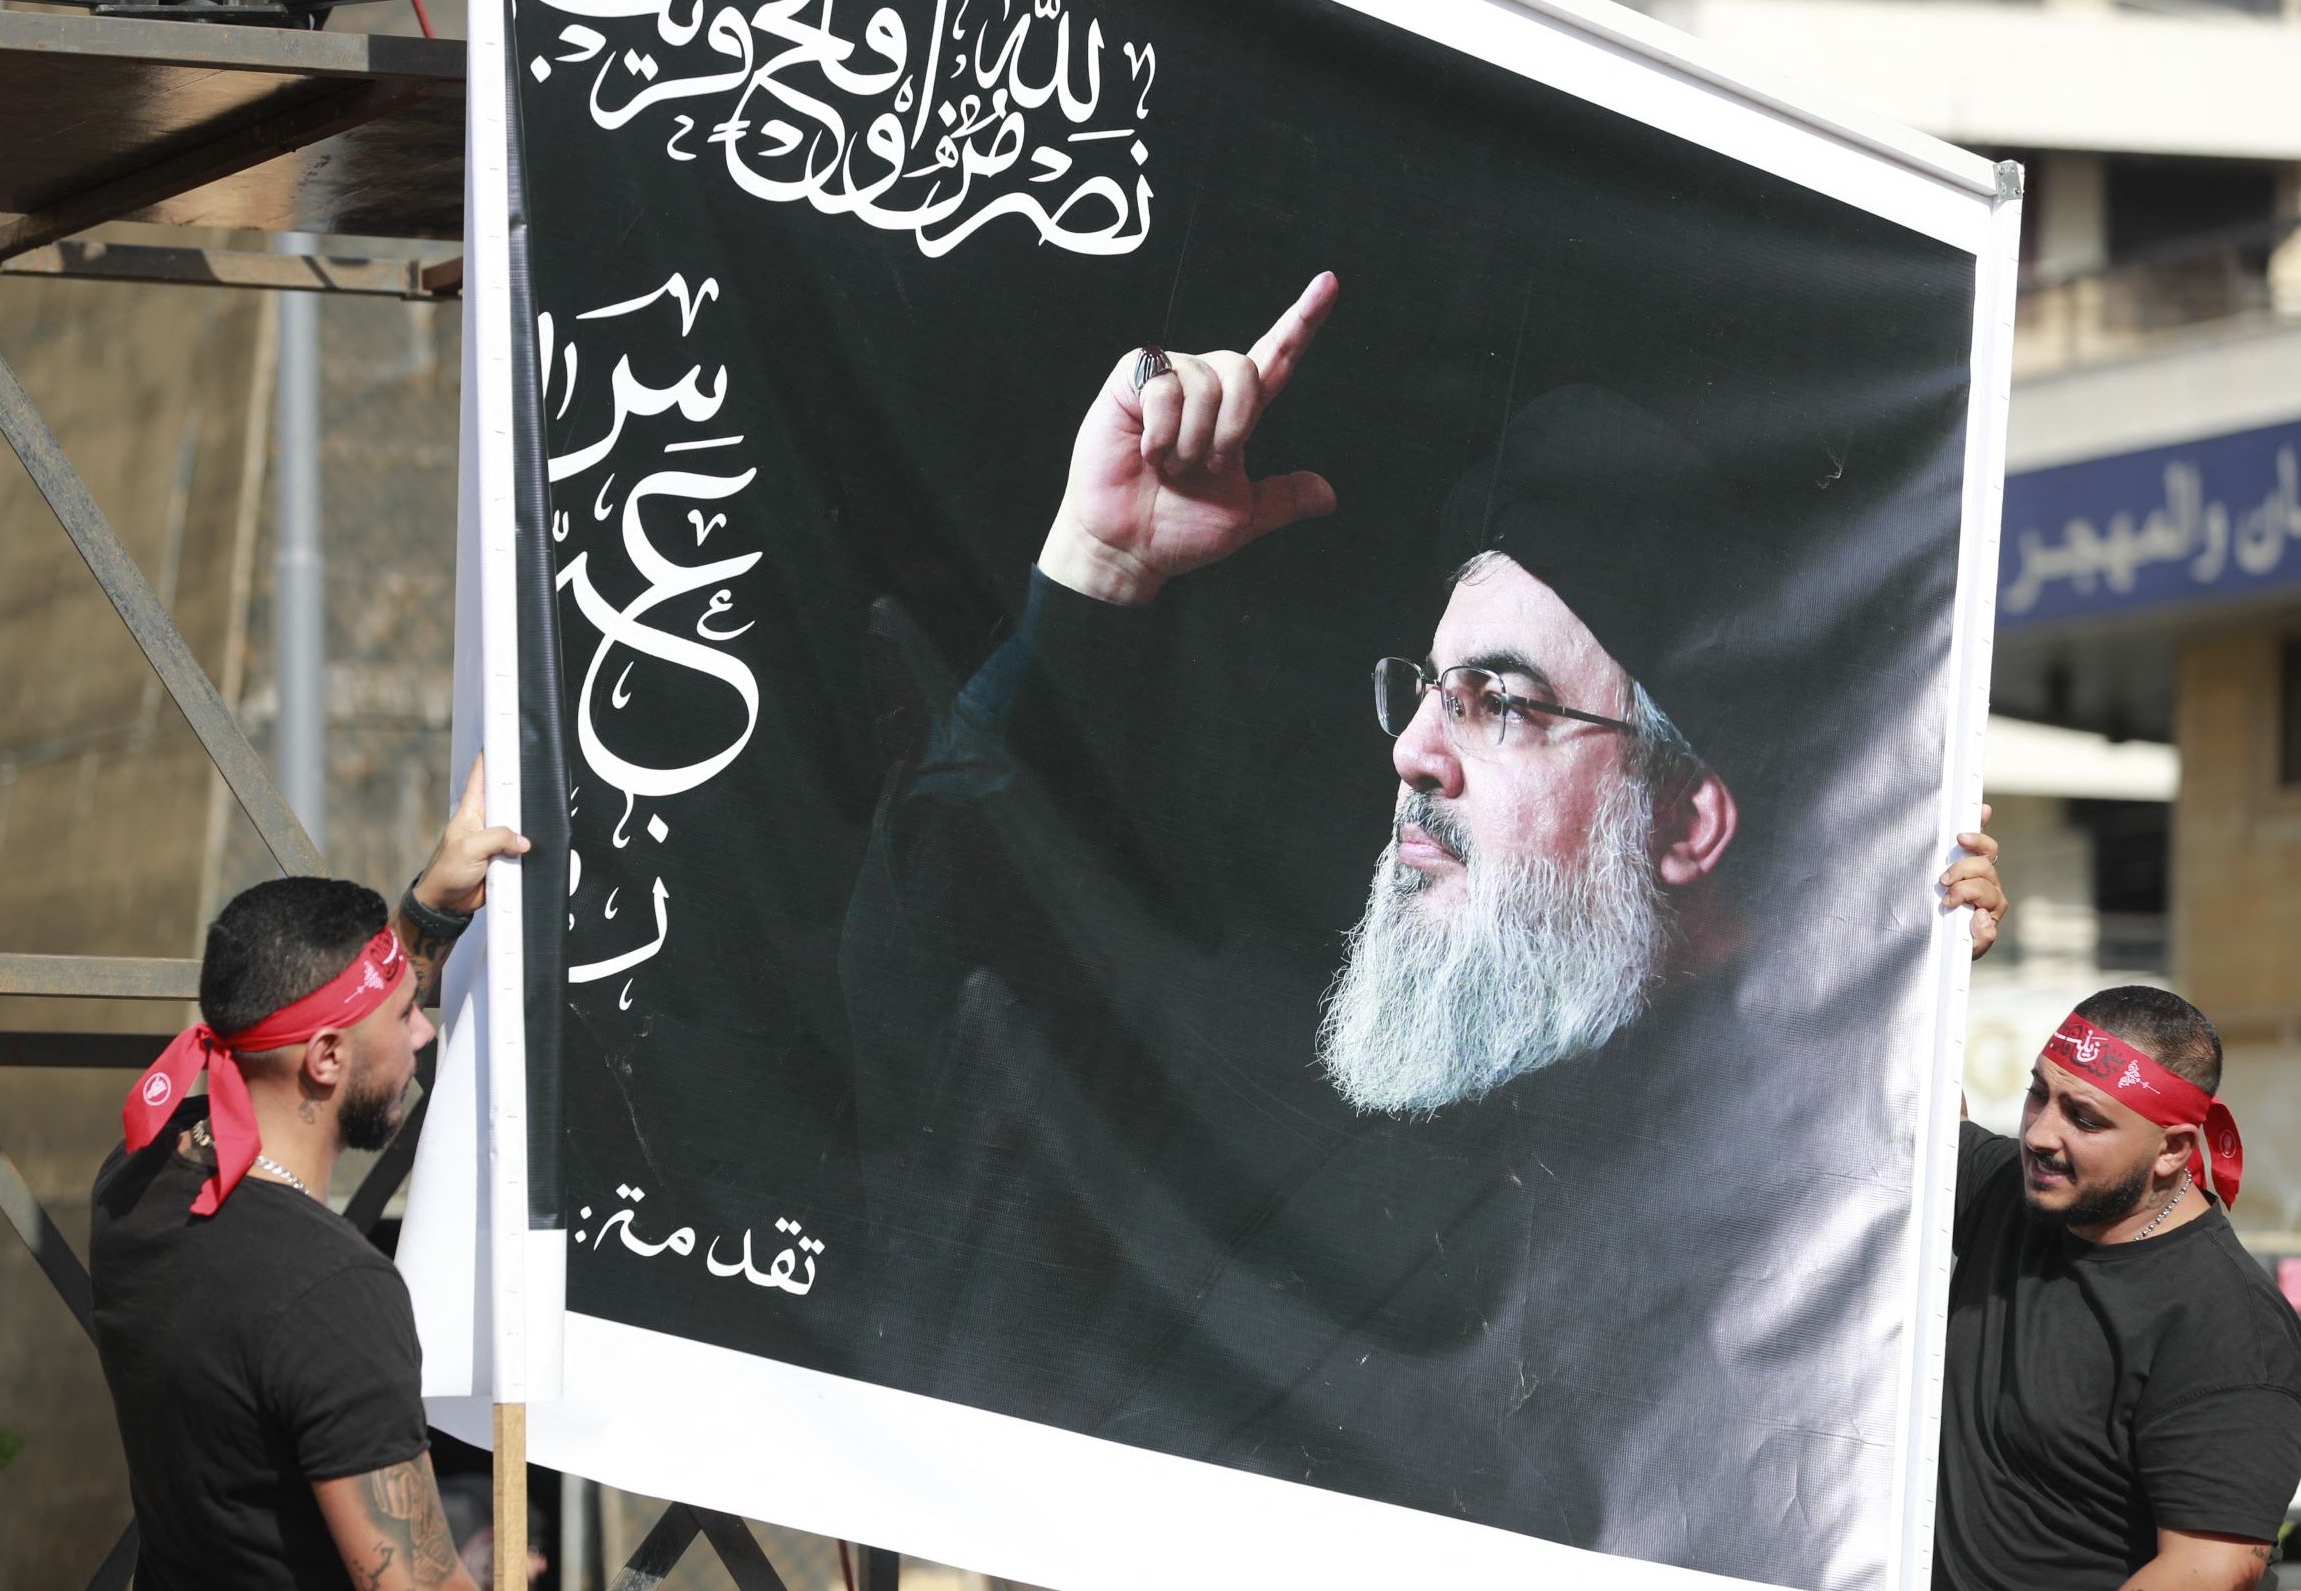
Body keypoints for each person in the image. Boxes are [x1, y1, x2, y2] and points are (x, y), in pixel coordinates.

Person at [841, 273, 2008, 1588]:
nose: (1414, 751)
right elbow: (927, 986)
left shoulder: (1759, 1197)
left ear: (1687, 821)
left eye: (1500, 702)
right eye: (1429, 688)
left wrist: (1888, 986)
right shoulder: (1302, 1057)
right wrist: (1097, 577)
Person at [89, 757, 529, 1591]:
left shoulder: (137, 1175)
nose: (424, 1035)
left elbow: (336, 1016)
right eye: (408, 1015)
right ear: (324, 1058)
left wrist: (429, 910)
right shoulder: (333, 1296)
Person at [1937, 986, 2301, 1591]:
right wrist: (1936, 943)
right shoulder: (2015, 1190)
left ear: (2174, 1149)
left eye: (2084, 1118)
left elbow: (2213, 1567)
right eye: (2037, 1094)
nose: (2040, 1135)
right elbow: (1907, 1093)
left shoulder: (2229, 1324)